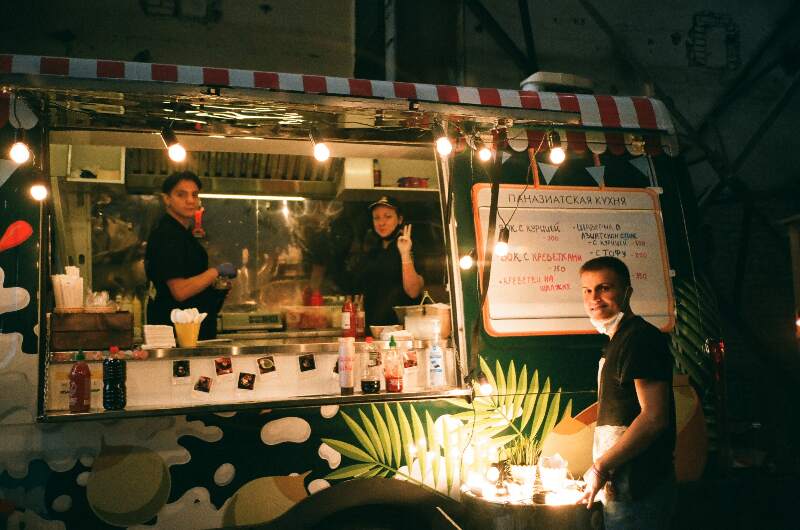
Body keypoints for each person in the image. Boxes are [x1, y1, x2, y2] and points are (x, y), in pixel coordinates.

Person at [578, 256, 675, 529]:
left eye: (604, 288)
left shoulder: (641, 339)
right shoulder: (616, 341)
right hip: (622, 487)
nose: (594, 298)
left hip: (642, 489)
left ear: (627, 291)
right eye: (587, 290)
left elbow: (654, 418)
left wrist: (600, 466)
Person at [145, 171, 236, 340]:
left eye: (194, 195)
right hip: (179, 338)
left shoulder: (181, 233)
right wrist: (215, 271)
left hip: (190, 335)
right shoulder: (168, 235)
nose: (190, 200)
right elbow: (180, 291)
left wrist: (213, 289)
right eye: (181, 194)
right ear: (167, 199)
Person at [357, 196, 424, 330]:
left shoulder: (411, 246)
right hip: (372, 330)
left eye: (387, 216)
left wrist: (405, 253)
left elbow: (414, 291)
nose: (381, 222)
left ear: (399, 219)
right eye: (376, 217)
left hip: (401, 332)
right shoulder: (373, 250)